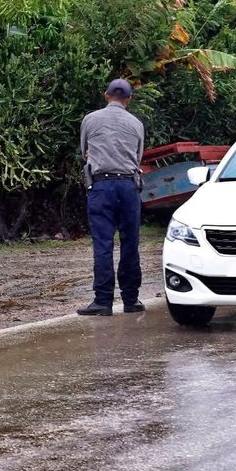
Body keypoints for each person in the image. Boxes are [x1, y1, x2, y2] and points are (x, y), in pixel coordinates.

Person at [77, 79, 145, 315]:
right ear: (128, 99)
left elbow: (83, 150)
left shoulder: (90, 119)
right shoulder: (136, 124)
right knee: (130, 244)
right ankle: (131, 300)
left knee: (103, 244)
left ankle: (103, 302)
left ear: (106, 96)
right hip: (128, 186)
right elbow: (138, 157)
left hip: (101, 186)